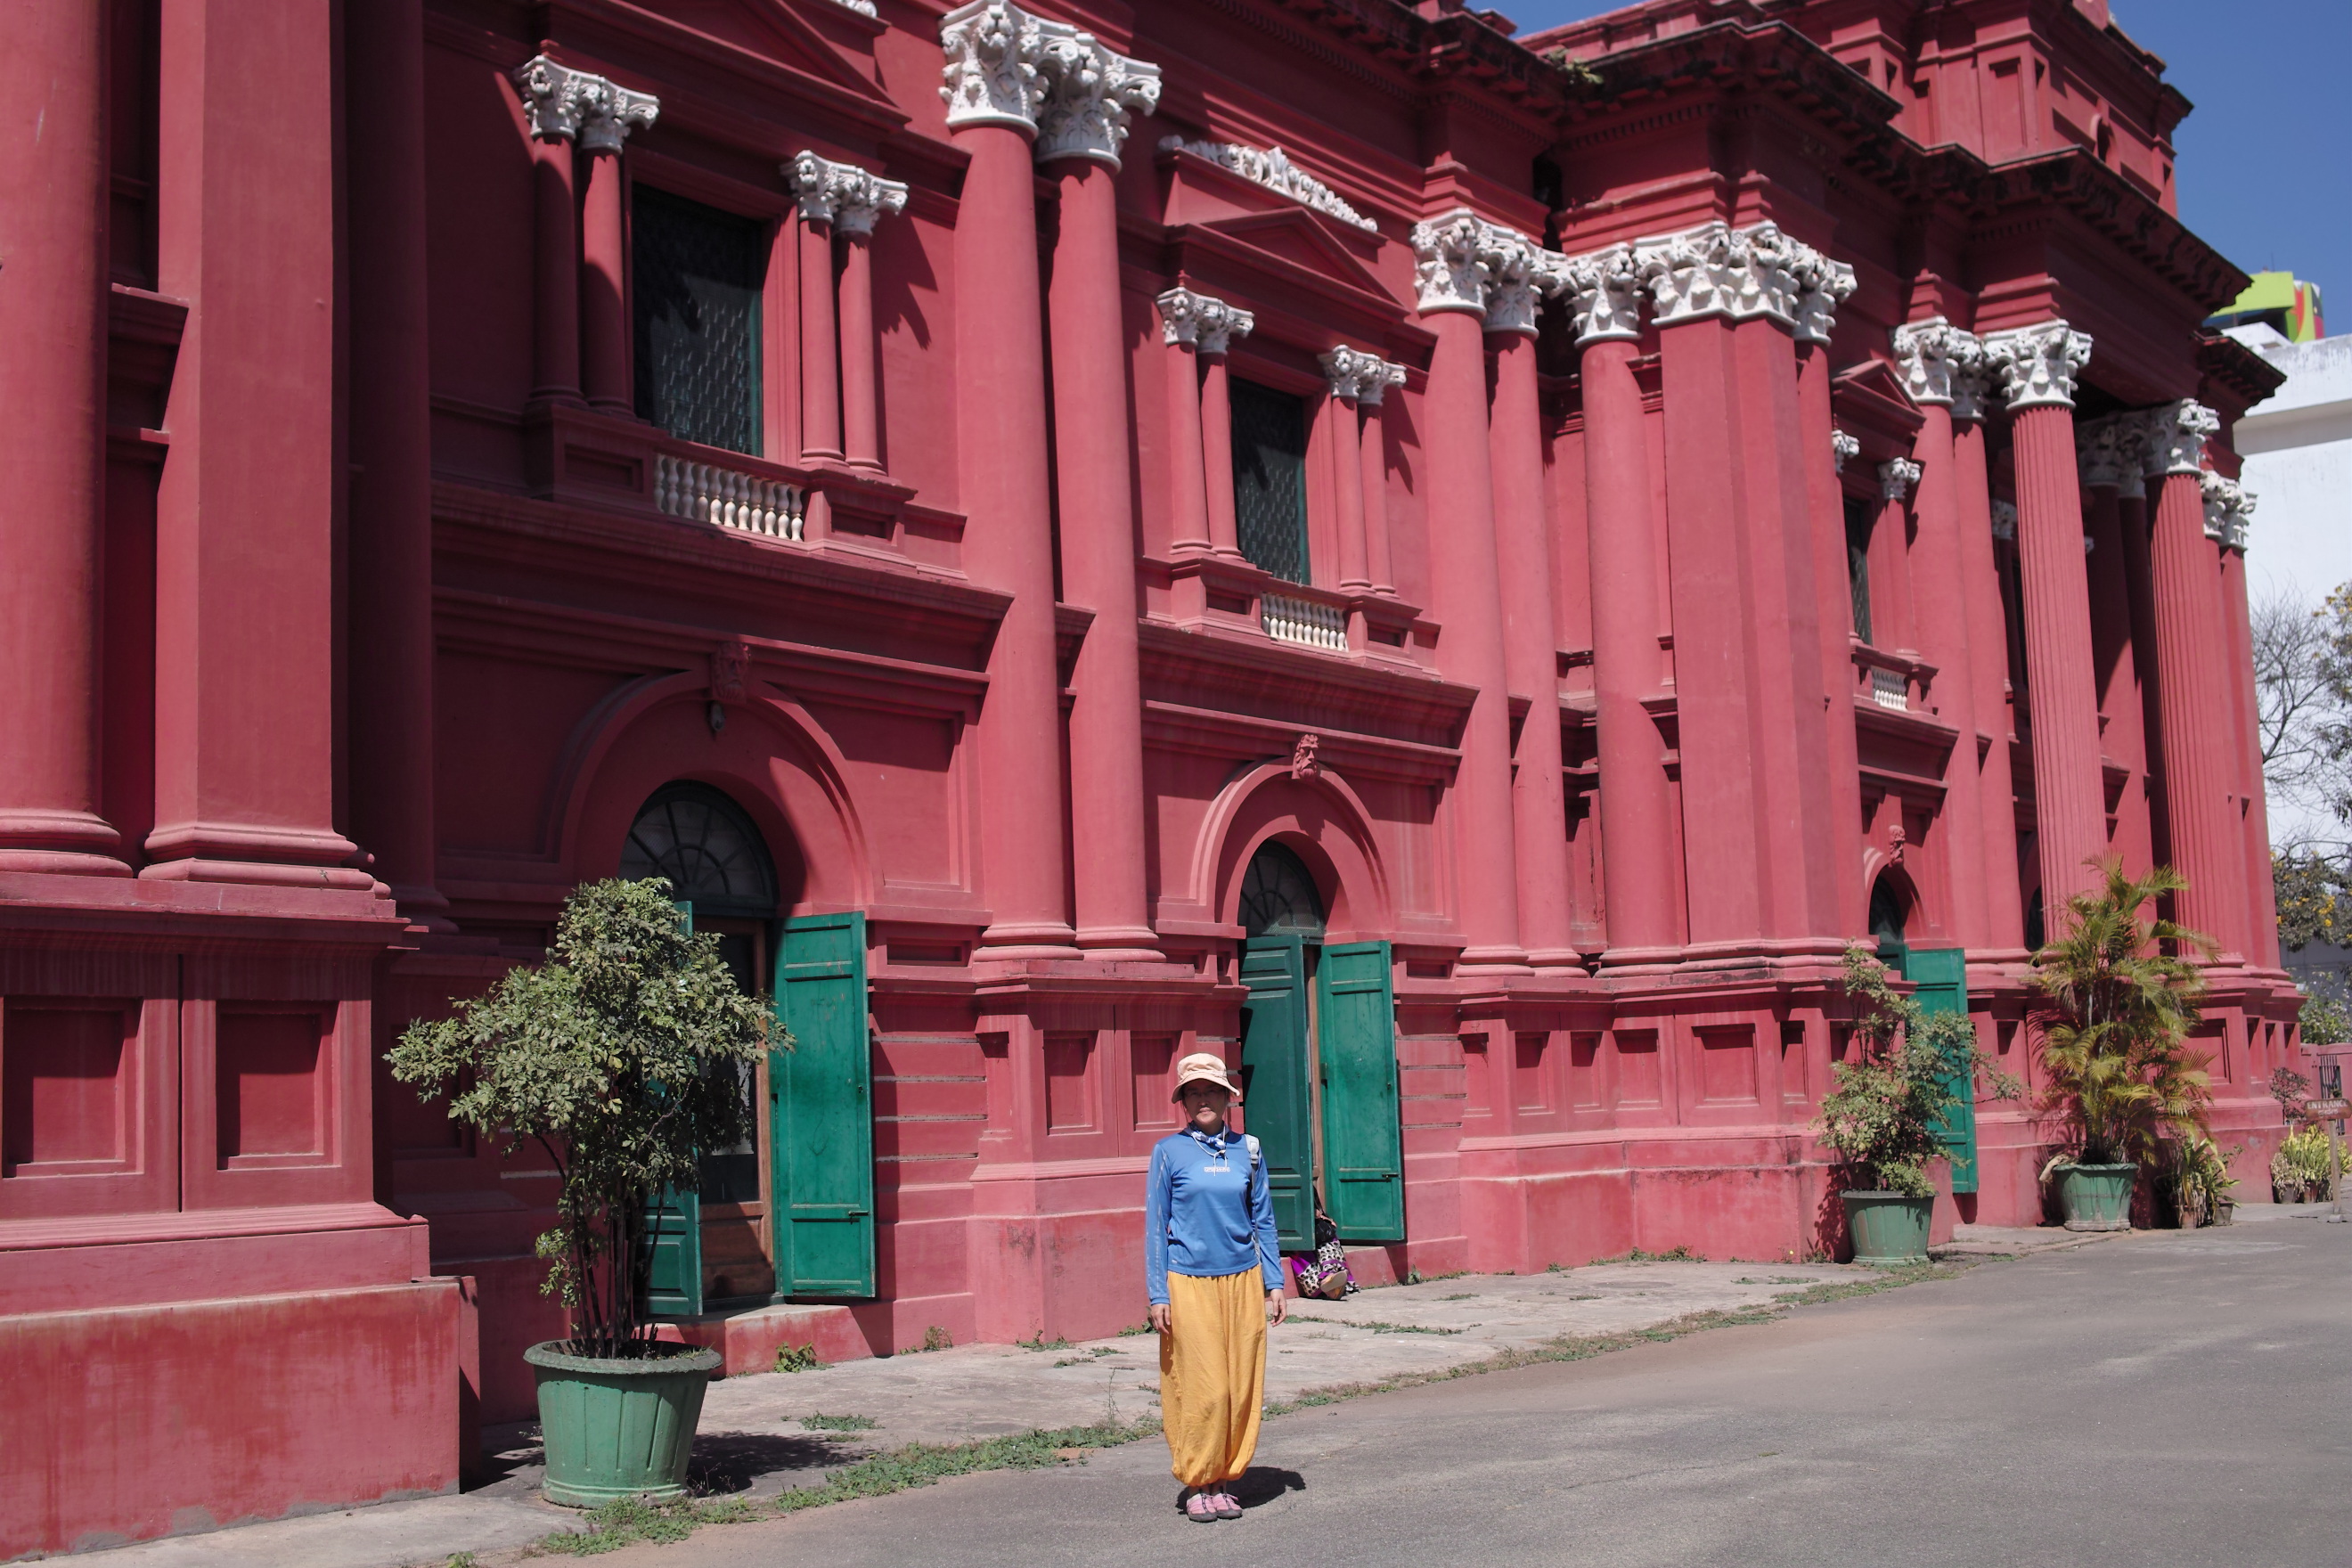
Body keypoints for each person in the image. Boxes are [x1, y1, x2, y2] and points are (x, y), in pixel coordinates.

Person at [1146, 1051, 1287, 1522]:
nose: (1203, 1099)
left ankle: (1224, 1480)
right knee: (1204, 1388)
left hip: (1243, 1281)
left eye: (1212, 1091)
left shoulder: (1249, 1150)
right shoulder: (1168, 1152)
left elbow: (1263, 1219)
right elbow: (1156, 1226)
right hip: (1189, 1284)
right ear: (1183, 1102)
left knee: (1239, 1386)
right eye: (1194, 1093)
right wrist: (1158, 1293)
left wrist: (1274, 1281)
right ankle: (1197, 1480)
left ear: (1228, 1098)